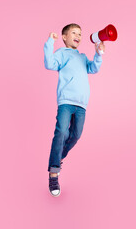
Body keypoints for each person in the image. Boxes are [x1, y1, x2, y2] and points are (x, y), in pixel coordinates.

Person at [43, 23, 105, 197]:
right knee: (61, 132)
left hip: (81, 105)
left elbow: (94, 68)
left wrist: (99, 54)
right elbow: (49, 63)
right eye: (74, 33)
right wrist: (50, 42)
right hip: (66, 101)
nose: (78, 36)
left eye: (80, 33)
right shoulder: (61, 54)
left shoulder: (83, 57)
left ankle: (58, 156)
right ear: (64, 37)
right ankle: (54, 173)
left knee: (76, 135)